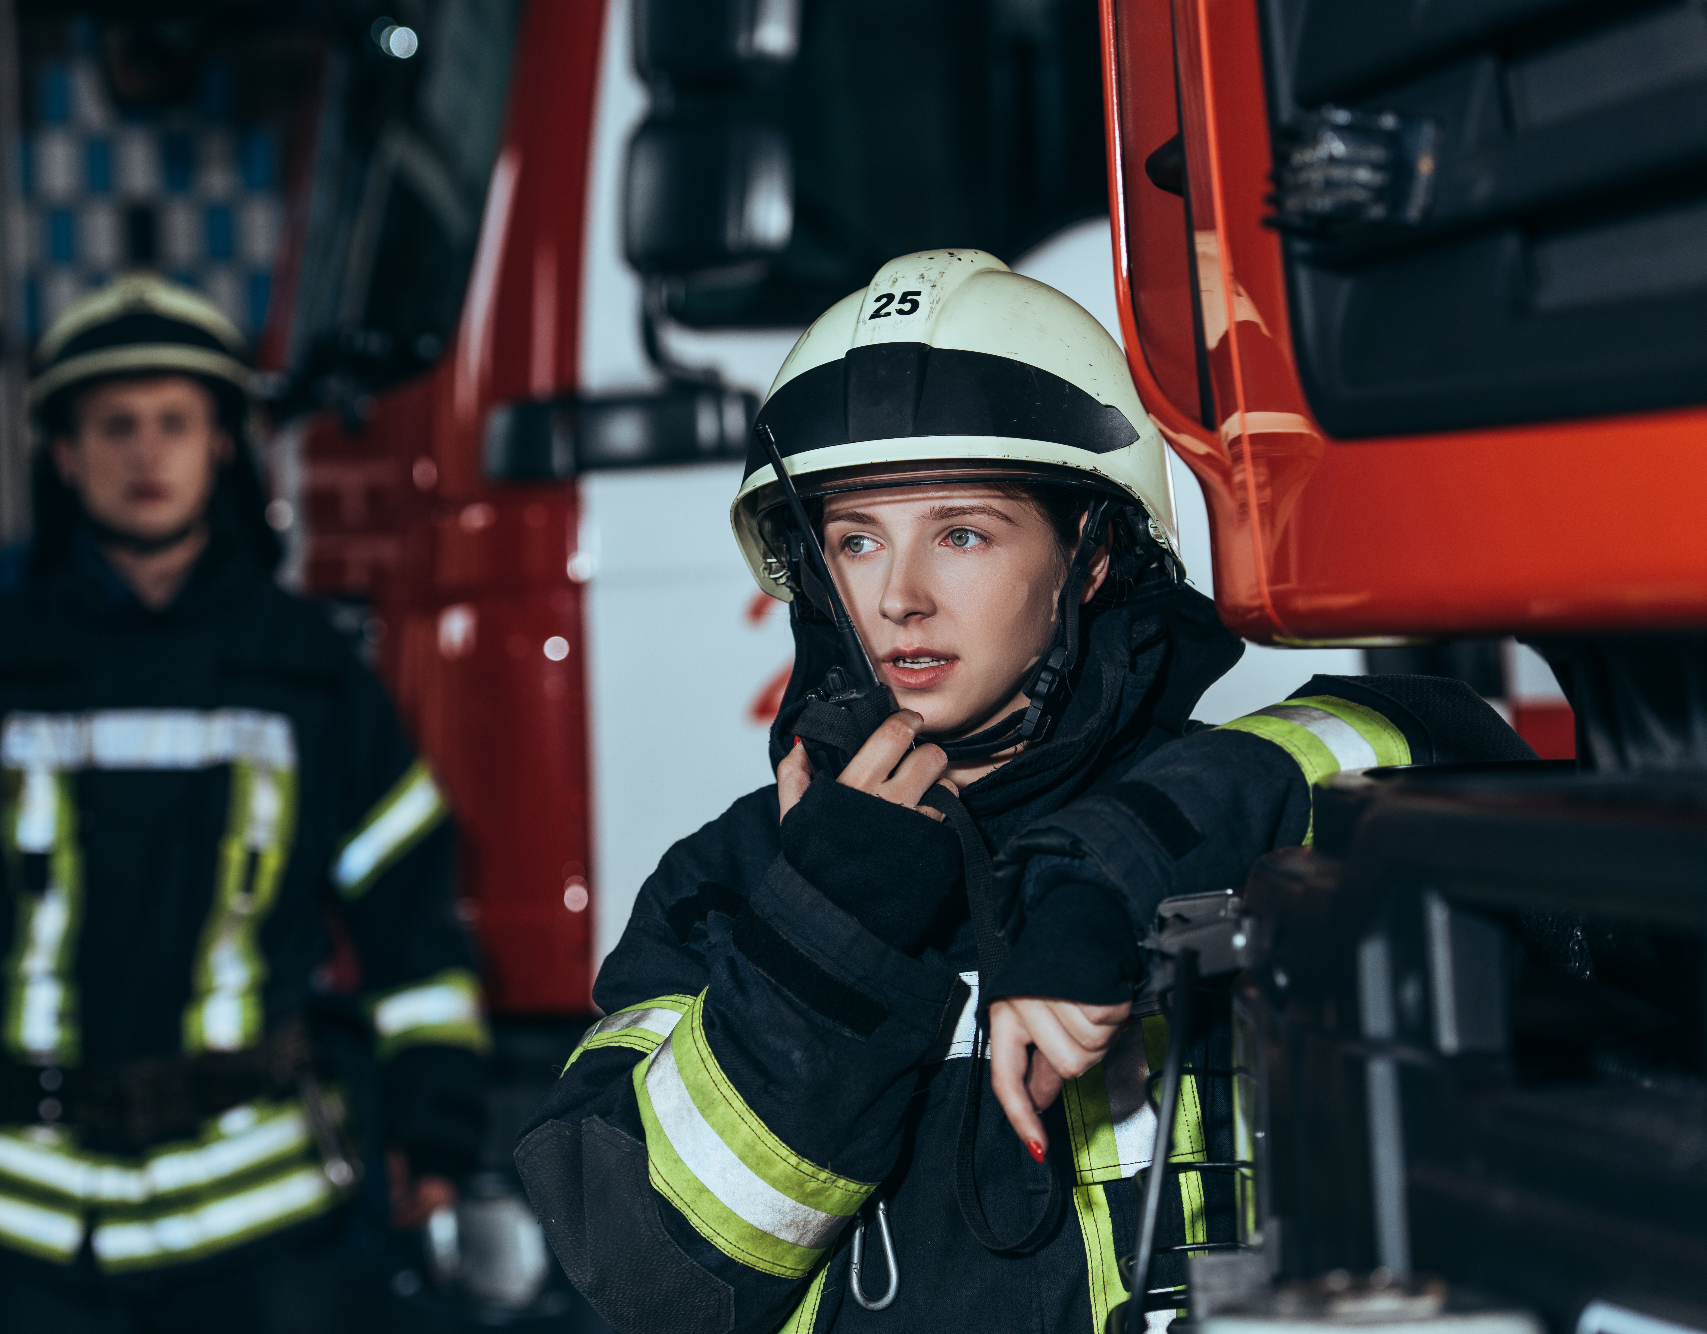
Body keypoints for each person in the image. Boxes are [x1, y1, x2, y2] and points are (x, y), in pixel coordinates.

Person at [514, 250, 1531, 1334]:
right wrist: (832, 926)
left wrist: (1113, 870)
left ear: (1088, 555)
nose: (898, 598)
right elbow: (646, 1274)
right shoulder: (728, 883)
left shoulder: (1213, 804)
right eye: (857, 539)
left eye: (960, 532)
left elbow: (1455, 755)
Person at [0, 275, 488, 1331]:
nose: (146, 452)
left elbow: (413, 924)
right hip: (30, 1215)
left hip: (260, 1210)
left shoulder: (307, 670)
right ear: (65, 456)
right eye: (115, 425)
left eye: (175, 421)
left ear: (221, 444)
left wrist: (434, 1131)